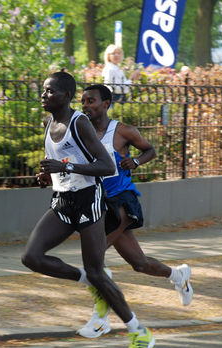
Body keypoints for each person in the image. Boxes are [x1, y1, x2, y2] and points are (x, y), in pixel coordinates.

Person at [21, 71, 155, 348]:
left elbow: (107, 166)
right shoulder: (50, 122)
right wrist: (49, 175)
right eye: (44, 91)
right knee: (31, 257)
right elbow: (58, 158)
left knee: (96, 270)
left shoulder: (79, 123)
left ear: (65, 96)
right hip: (63, 200)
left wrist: (66, 168)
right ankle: (91, 281)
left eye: (49, 91)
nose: (43, 96)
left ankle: (138, 330)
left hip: (88, 201)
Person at [76, 84, 193, 338]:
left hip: (123, 201)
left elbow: (150, 149)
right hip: (101, 202)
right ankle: (178, 275)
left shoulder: (123, 131)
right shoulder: (82, 132)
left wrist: (137, 161)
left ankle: (100, 319)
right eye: (83, 101)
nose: (85, 105)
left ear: (106, 104)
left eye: (91, 101)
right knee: (139, 264)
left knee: (94, 260)